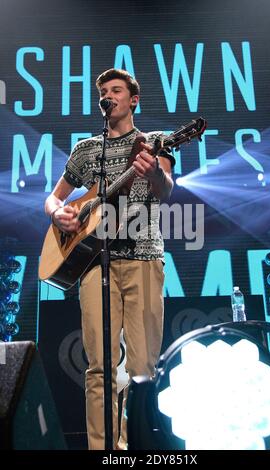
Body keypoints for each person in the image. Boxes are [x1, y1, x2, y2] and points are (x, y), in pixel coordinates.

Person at [44, 68, 175, 450]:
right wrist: (58, 213)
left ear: (133, 99)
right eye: (103, 91)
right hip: (92, 264)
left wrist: (153, 175)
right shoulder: (86, 150)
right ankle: (103, 450)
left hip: (144, 258)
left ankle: (140, 447)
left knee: (143, 368)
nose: (108, 95)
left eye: (116, 90)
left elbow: (166, 190)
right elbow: (53, 197)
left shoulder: (156, 142)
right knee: (99, 368)